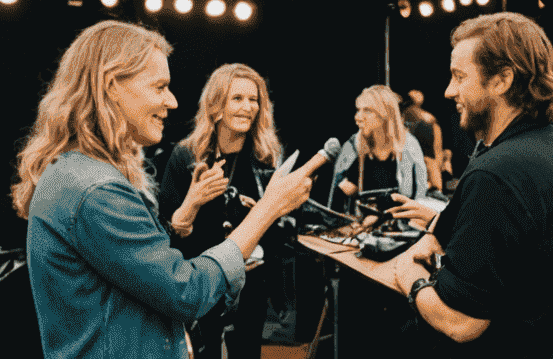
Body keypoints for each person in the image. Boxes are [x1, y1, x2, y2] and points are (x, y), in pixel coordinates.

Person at [16, 22, 318, 359]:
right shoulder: (97, 192)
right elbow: (187, 291)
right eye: (159, 87)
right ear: (111, 86)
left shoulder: (72, 173)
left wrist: (182, 219)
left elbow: (137, 271)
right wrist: (269, 208)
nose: (172, 101)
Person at [384, 13, 553, 359]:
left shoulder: (496, 176)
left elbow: (462, 323)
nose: (449, 90)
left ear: (502, 79)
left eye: (459, 76)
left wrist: (411, 277)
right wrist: (434, 233)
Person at [159, 64, 284, 359]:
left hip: (251, 283)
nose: (247, 107)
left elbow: (282, 229)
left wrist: (268, 216)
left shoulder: (265, 157)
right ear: (216, 105)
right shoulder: (186, 155)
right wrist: (193, 201)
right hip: (201, 281)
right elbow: (166, 231)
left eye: (253, 100)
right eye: (237, 98)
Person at [331, 85, 431, 207]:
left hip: (401, 223)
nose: (358, 117)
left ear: (385, 114)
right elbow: (335, 200)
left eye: (367, 110)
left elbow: (419, 199)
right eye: (358, 110)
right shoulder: (353, 146)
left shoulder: (409, 146)